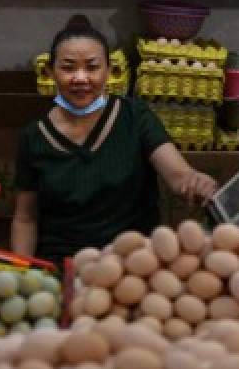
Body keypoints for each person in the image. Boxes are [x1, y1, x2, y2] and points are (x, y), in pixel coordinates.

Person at [12, 16, 219, 267]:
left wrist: (195, 181)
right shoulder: (34, 136)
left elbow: (178, 174)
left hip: (132, 262)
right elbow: (26, 218)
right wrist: (23, 270)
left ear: (109, 71)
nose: (80, 78)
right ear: (50, 72)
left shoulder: (135, 117)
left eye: (92, 67)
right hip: (61, 265)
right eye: (68, 67)